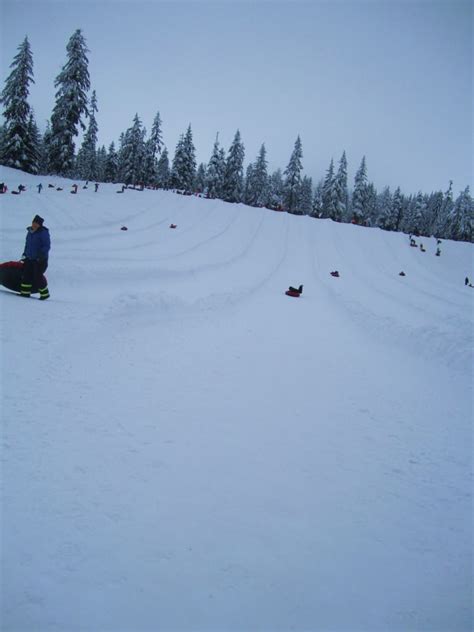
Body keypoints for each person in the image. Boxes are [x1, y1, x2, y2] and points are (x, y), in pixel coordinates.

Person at [20, 215, 51, 300]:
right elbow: (27, 245)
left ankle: (45, 294)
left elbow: (46, 246)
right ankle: (25, 293)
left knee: (37, 276)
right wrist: (25, 254)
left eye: (37, 223)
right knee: (26, 275)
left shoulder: (43, 232)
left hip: (40, 260)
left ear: (40, 225)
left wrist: (41, 255)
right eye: (34, 223)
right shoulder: (29, 231)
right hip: (29, 258)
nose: (35, 225)